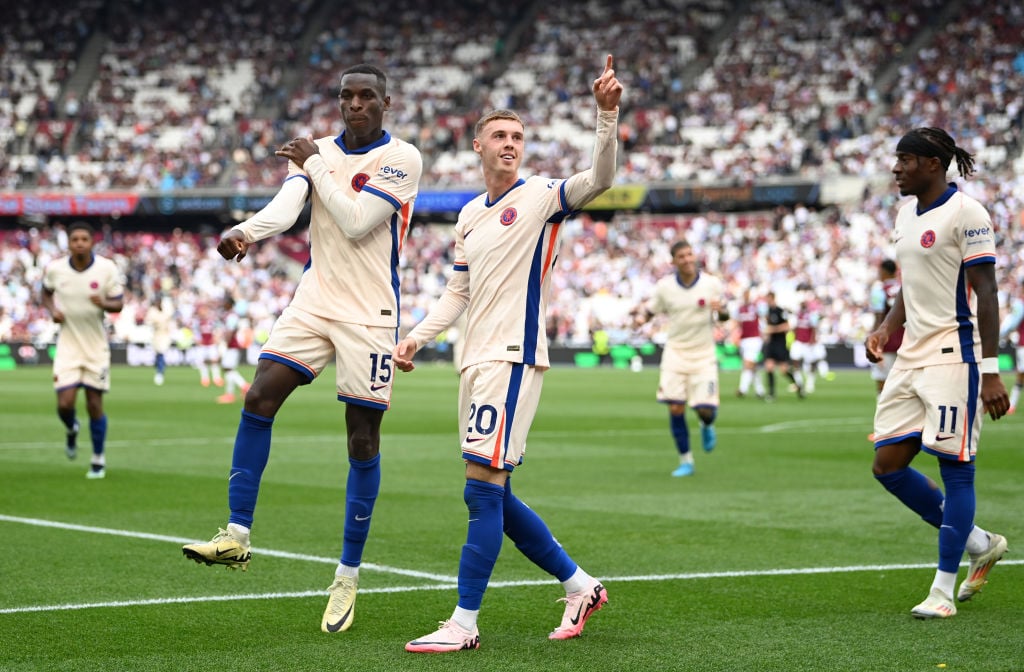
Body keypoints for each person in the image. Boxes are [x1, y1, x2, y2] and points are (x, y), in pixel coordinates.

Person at [182, 64, 423, 635]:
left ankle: (347, 575)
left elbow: (360, 220)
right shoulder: (314, 154)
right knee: (258, 397)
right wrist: (246, 232)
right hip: (313, 300)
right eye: (347, 96)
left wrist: (313, 160)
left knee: (361, 439)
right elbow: (290, 206)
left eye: (367, 96)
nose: (355, 104)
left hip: (370, 311)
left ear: (386, 103)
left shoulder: (401, 158)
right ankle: (236, 536)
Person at [393, 54, 622, 653]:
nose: (511, 144)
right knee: (494, 489)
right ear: (477, 146)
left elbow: (600, 179)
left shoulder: (544, 196)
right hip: (476, 360)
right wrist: (419, 334)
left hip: (514, 356)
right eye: (499, 135)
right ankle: (580, 585)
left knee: (481, 488)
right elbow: (458, 292)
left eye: (518, 136)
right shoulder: (469, 214)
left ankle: (463, 624)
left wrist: (606, 116)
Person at [865, 127, 1009, 620]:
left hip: (955, 356)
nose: (896, 167)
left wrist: (990, 371)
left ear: (932, 163)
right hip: (911, 357)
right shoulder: (906, 215)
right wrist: (887, 327)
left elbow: (986, 294)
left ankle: (943, 592)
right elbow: (912, 284)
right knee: (887, 464)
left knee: (955, 467)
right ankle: (979, 541)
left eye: (904, 159)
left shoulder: (967, 213)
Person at [634, 240, 728, 477]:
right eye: (681, 256)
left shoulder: (711, 284)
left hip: (704, 353)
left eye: (689, 254)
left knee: (705, 410)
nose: (687, 259)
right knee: (675, 407)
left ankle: (707, 424)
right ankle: (686, 460)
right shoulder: (665, 287)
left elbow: (725, 315)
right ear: (673, 261)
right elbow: (650, 310)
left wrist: (722, 310)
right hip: (675, 352)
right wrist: (640, 319)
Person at [40, 221, 125, 478]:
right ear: (68, 243)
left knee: (93, 404)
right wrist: (52, 309)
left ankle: (98, 459)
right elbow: (44, 293)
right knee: (65, 404)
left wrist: (105, 302)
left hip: (96, 347)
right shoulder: (55, 269)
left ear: (91, 242)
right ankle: (71, 428)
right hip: (67, 345)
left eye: (83, 239)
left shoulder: (106, 268)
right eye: (74, 239)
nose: (79, 243)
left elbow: (118, 304)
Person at [868, 259, 904, 395]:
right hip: (905, 342)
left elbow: (878, 318)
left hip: (886, 344)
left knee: (882, 382)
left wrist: (875, 343)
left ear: (883, 271)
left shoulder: (879, 291)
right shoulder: (903, 288)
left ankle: (882, 414)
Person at [761, 291, 803, 400]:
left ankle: (798, 385)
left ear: (773, 298)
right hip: (771, 344)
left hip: (780, 343)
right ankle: (771, 394)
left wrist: (773, 330)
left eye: (768, 298)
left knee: (784, 370)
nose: (767, 300)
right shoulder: (767, 312)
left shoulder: (780, 311)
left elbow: (787, 326)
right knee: (769, 367)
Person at [215, 296, 252, 404]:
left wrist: (225, 344)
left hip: (232, 345)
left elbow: (230, 332)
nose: (223, 304)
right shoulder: (231, 315)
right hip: (233, 345)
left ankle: (244, 386)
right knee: (228, 369)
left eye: (225, 302)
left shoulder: (231, 316)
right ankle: (230, 394)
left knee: (227, 368)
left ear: (230, 304)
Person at [997, 277, 1024, 414]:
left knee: (1021, 374)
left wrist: (999, 335)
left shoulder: (1020, 303)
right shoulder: (1019, 303)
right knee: (1021, 374)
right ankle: (1012, 404)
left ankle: (1012, 404)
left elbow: (1012, 323)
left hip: (1023, 345)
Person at [734, 288, 766, 398]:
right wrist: (737, 337)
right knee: (752, 366)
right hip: (744, 339)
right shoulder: (740, 309)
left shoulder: (756, 307)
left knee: (748, 364)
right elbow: (738, 323)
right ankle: (760, 390)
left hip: (754, 338)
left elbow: (763, 318)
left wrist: (764, 333)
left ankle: (743, 389)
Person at [144, 295, 173, 386]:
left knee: (161, 353)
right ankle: (159, 369)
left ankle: (160, 372)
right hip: (156, 335)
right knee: (158, 354)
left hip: (165, 335)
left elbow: (168, 317)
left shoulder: (166, 309)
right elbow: (149, 321)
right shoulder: (152, 311)